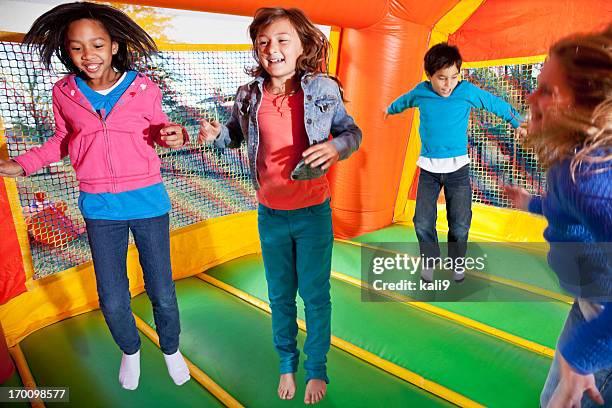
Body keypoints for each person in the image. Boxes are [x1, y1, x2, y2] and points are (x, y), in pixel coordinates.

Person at [0, 2, 190, 390]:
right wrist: (21, 164)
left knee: (162, 290)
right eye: (77, 47)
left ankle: (171, 349)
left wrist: (174, 134)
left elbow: (158, 129)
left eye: (98, 45)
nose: (89, 55)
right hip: (100, 207)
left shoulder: (142, 87)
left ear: (115, 45)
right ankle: (130, 350)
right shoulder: (65, 92)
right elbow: (61, 141)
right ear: (67, 51)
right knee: (113, 298)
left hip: (148, 202)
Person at [198, 7, 361, 404]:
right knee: (280, 296)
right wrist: (217, 135)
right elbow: (235, 137)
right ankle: (287, 362)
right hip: (270, 215)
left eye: (282, 39)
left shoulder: (323, 90)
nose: (272, 49)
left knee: (316, 295)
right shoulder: (248, 95)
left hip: (312, 215)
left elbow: (352, 132)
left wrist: (335, 147)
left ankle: (316, 369)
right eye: (264, 41)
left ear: (302, 44)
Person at [504, 26, 611, 408]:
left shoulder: (590, 179)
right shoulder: (572, 160)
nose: (530, 96)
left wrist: (583, 354)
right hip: (591, 304)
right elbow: (565, 210)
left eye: (547, 91)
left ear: (587, 108)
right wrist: (531, 203)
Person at [385, 42, 526, 283]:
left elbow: (494, 104)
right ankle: (429, 259)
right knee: (421, 222)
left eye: (453, 77)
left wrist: (517, 122)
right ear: (429, 76)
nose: (448, 84)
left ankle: (456, 261)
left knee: (460, 223)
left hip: (458, 170)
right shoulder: (421, 91)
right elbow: (404, 101)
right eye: (441, 78)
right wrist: (389, 110)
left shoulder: (466, 91)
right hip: (428, 170)